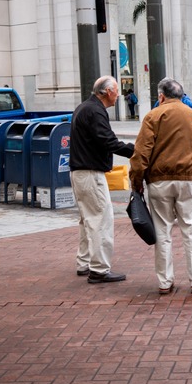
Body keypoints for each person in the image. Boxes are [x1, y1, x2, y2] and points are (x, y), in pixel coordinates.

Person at [129, 78, 192, 295]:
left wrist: (136, 182)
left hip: (159, 180)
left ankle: (165, 282)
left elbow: (141, 154)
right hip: (188, 178)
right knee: (190, 229)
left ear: (161, 96)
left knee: (163, 231)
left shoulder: (153, 116)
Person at [70, 76, 135, 284]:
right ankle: (98, 269)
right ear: (108, 92)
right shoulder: (96, 111)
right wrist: (135, 151)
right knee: (101, 219)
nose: (119, 95)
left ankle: (85, 262)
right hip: (90, 174)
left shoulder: (84, 107)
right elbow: (108, 141)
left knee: (87, 220)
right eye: (117, 91)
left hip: (80, 173)